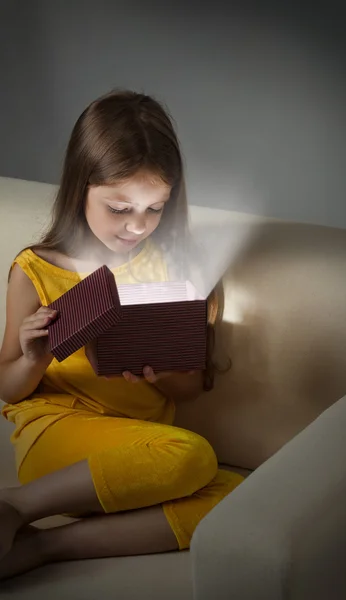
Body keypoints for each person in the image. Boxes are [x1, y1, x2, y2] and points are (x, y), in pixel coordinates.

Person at [0, 90, 243, 580]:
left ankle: (43, 548)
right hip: (57, 438)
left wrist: (160, 371)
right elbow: (7, 387)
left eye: (155, 209)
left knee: (239, 501)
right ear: (80, 188)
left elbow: (189, 388)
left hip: (138, 453)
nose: (137, 226)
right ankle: (17, 504)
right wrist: (33, 357)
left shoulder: (172, 269)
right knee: (190, 454)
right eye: (119, 208)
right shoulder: (35, 270)